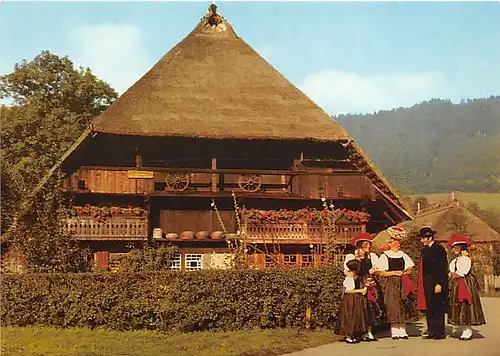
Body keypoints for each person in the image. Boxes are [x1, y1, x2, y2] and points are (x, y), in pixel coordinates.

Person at [377, 226, 418, 340]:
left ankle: (403, 330)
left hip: (402, 281)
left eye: (398, 243)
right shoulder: (385, 256)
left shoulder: (403, 255)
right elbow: (381, 273)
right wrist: (394, 273)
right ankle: (395, 331)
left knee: (403, 304)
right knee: (392, 305)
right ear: (390, 244)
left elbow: (410, 268)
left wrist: (404, 273)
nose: (398, 245)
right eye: (395, 243)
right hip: (391, 282)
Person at [343, 232, 384, 341]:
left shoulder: (372, 256)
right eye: (366, 245)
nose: (368, 247)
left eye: (369, 245)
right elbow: (348, 272)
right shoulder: (351, 257)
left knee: (370, 307)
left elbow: (377, 269)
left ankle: (368, 332)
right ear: (360, 246)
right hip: (358, 284)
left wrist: (374, 272)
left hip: (369, 282)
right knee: (359, 308)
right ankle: (359, 332)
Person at [447, 235, 486, 341]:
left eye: (456, 247)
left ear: (461, 248)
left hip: (466, 283)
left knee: (466, 305)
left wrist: (454, 274)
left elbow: (462, 273)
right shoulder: (455, 260)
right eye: (453, 247)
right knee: (458, 305)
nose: (454, 249)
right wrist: (452, 274)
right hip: (457, 284)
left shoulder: (466, 259)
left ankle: (467, 330)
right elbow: (451, 272)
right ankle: (463, 327)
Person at [417, 226, 449, 340]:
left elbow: (442, 267)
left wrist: (439, 283)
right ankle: (431, 330)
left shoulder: (439, 249)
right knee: (429, 306)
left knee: (438, 306)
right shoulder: (425, 250)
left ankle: (440, 332)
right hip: (427, 281)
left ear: (430, 237)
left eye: (423, 238)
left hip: (437, 280)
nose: (422, 241)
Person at [335, 259, 369, 344]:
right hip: (350, 300)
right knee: (349, 317)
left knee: (356, 316)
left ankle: (355, 334)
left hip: (356, 299)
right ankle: (349, 335)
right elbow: (348, 290)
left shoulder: (356, 277)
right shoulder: (349, 277)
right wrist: (360, 290)